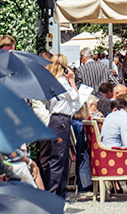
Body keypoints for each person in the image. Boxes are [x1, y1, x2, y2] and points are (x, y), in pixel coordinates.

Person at [45, 54, 80, 196]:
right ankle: (53, 192)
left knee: (62, 158)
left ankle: (60, 191)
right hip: (61, 121)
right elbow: (75, 96)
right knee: (59, 158)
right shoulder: (61, 82)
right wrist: (71, 80)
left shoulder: (53, 81)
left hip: (57, 120)